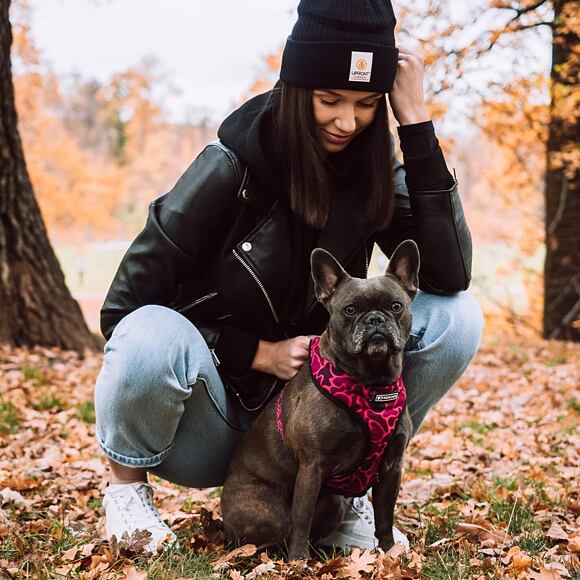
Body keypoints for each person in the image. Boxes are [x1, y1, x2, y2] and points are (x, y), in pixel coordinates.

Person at [94, 0, 483, 555]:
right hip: (213, 419)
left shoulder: (372, 172)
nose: (348, 122)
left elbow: (450, 275)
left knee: (457, 319)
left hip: (325, 416)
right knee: (146, 333)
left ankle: (348, 488)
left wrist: (416, 124)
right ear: (298, 89)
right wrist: (255, 352)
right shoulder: (228, 167)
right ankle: (128, 496)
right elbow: (123, 310)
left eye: (367, 104)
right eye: (330, 100)